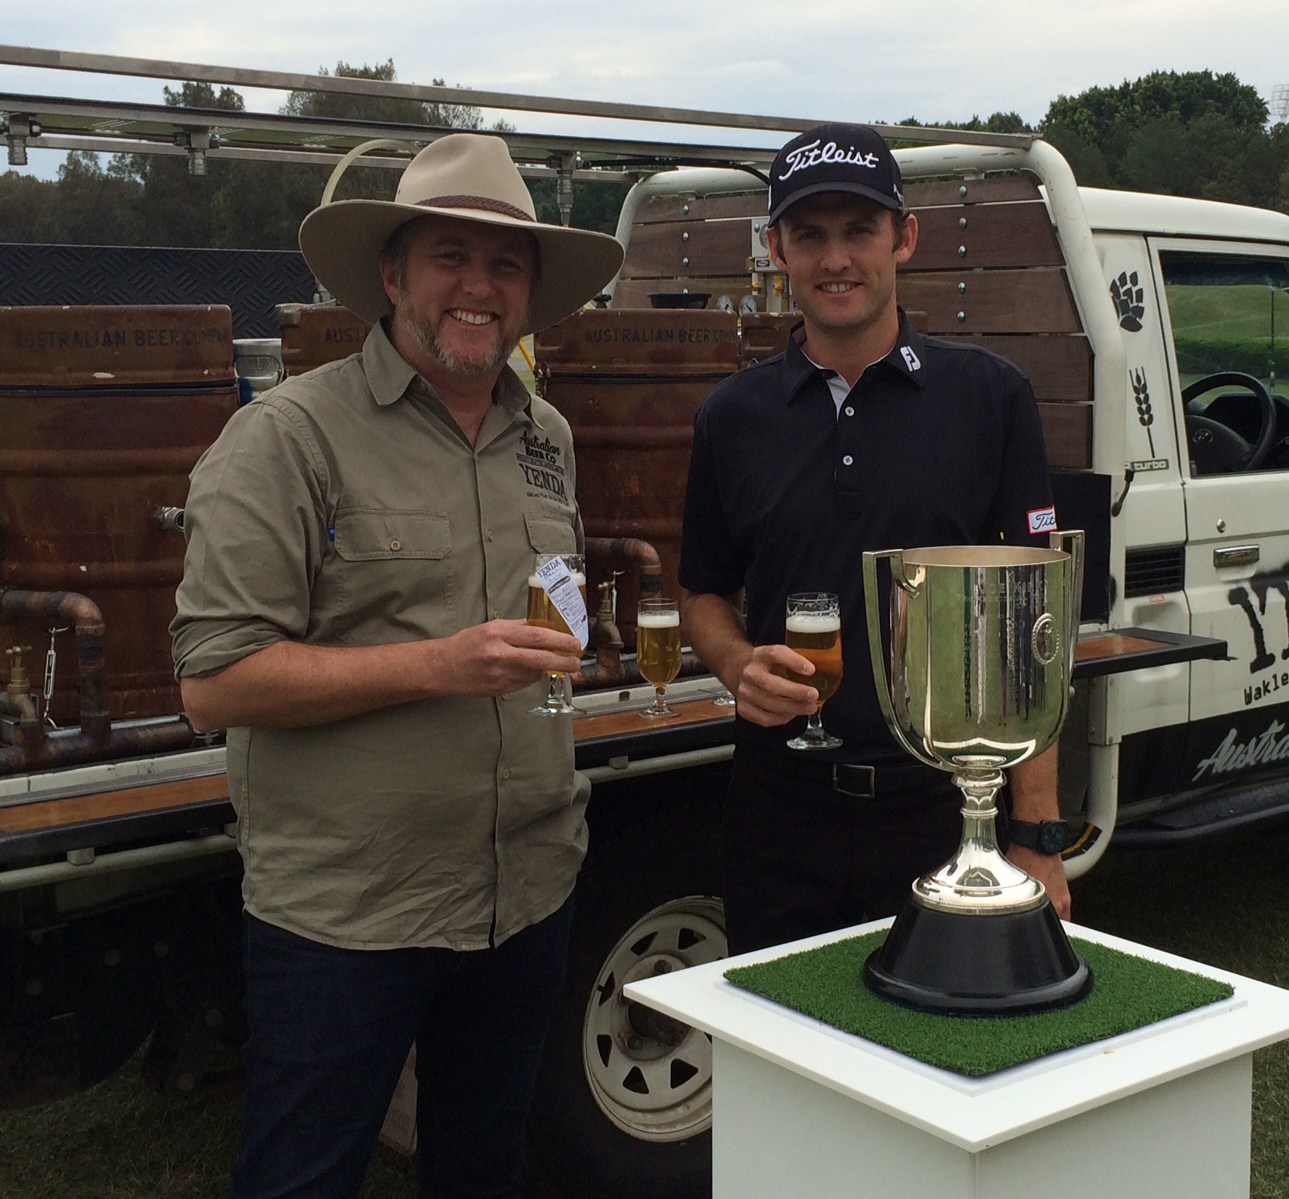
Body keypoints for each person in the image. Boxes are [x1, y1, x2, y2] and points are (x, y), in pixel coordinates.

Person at [170, 134, 623, 1198]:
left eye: (505, 263)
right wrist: (439, 667)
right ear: (392, 275)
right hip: (351, 913)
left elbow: (551, 608)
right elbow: (214, 681)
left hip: (528, 888)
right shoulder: (287, 437)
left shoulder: (545, 431)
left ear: (530, 291)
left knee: (483, 1169)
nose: (478, 286)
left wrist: (564, 657)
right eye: (449, 258)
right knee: (302, 1180)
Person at [678, 123, 1072, 956]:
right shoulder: (732, 416)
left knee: (941, 1054)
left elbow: (1038, 627)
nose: (836, 260)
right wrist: (734, 662)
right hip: (776, 810)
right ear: (777, 248)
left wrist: (1038, 832)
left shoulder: (991, 398)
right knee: (784, 1047)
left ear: (905, 239)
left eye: (859, 231)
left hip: (942, 808)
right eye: (810, 236)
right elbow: (703, 590)